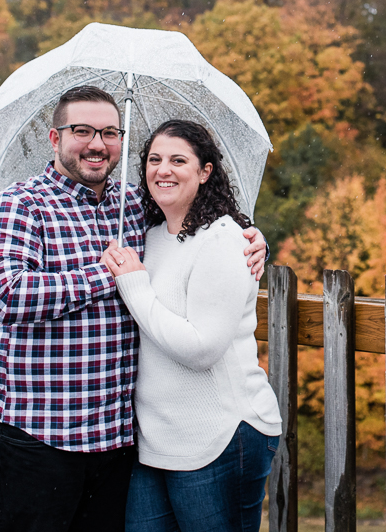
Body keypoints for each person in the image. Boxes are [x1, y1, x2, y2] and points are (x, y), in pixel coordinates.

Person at [0, 87, 267, 532]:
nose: (97, 143)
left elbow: (196, 228)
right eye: (82, 131)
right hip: (41, 434)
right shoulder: (18, 206)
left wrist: (252, 237)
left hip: (116, 437)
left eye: (110, 132)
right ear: (54, 138)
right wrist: (105, 276)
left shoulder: (131, 204)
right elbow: (7, 296)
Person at [103, 120, 282, 532]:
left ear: (205, 172)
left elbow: (201, 349)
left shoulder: (223, 240)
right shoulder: (146, 237)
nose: (163, 170)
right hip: (157, 440)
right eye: (154, 160)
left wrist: (133, 284)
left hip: (219, 435)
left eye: (178, 160)